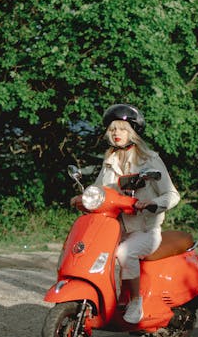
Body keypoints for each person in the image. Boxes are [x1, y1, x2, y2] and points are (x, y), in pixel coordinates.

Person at [70, 103, 180, 323]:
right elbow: (100, 190)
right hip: (115, 228)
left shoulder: (150, 160)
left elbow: (172, 195)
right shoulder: (109, 161)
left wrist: (152, 203)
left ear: (133, 132)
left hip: (146, 231)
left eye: (122, 129)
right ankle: (107, 299)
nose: (116, 133)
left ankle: (135, 300)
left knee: (123, 253)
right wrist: (84, 197)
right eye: (112, 129)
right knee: (93, 253)